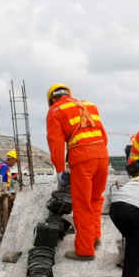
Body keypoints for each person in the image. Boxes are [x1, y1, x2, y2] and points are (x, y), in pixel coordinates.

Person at [45, 84, 110, 261]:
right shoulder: (90, 105)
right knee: (96, 199)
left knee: (82, 205)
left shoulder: (55, 110)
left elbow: (56, 143)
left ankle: (85, 250)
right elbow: (103, 135)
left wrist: (60, 170)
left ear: (52, 99)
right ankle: (95, 238)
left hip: (82, 159)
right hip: (102, 157)